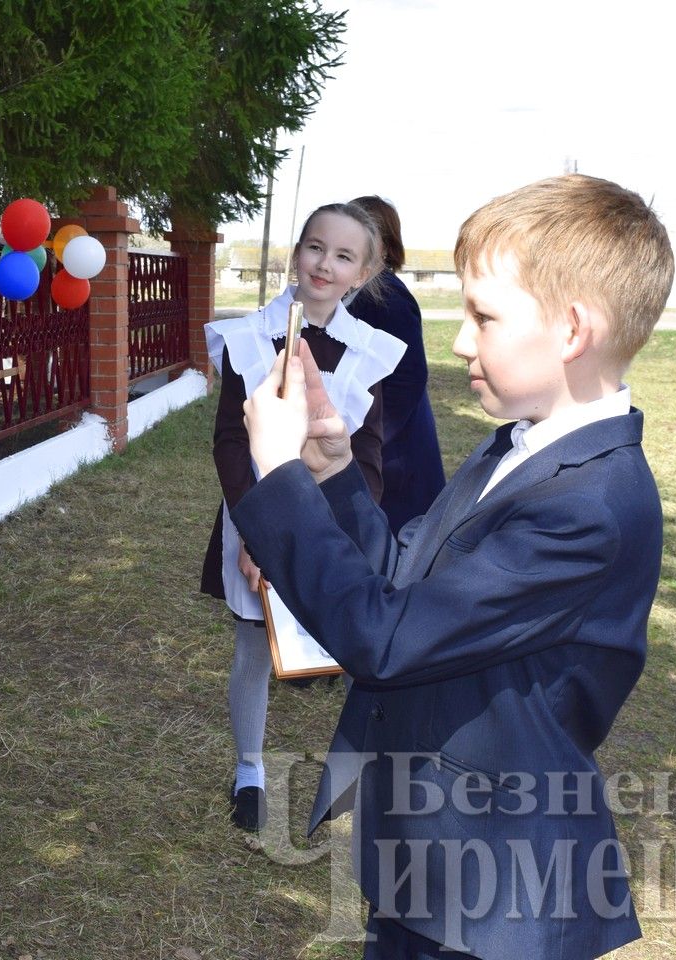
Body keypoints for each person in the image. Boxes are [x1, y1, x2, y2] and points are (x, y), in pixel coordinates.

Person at [232, 174, 674, 959]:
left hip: (493, 897)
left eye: (484, 316)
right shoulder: (522, 445)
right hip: (433, 861)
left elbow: (387, 639)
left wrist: (278, 477)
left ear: (572, 330)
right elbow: (407, 583)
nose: (463, 341)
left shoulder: (589, 507)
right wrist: (332, 471)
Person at [199, 203, 403, 832]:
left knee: (347, 644)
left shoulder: (369, 353)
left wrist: (340, 526)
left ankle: (357, 773)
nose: (325, 263)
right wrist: (257, 532)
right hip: (254, 520)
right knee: (251, 652)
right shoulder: (249, 337)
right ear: (297, 252)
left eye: (344, 255)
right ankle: (250, 769)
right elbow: (232, 443)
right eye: (316, 247)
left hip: (330, 528)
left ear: (363, 272)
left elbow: (366, 453)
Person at [346, 196, 445, 534]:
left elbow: (409, 377)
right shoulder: (359, 289)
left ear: (384, 246)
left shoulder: (388, 296)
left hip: (395, 453)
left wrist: (369, 439)